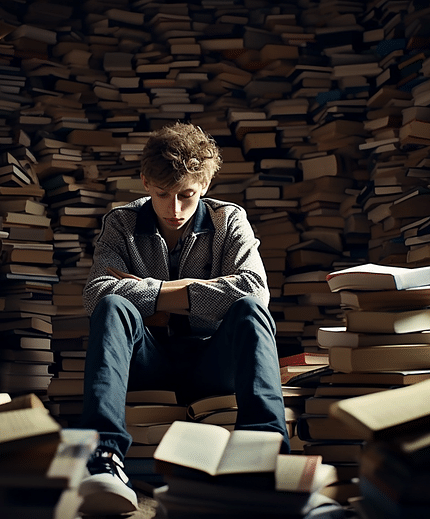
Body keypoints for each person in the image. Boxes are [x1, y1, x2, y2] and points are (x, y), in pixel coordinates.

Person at [77, 122, 288, 516]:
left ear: (205, 186)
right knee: (112, 307)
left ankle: (266, 458)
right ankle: (104, 457)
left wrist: (151, 292)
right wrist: (193, 291)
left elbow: (254, 291)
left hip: (212, 359)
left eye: (187, 195)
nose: (175, 209)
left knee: (250, 311)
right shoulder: (121, 222)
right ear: (144, 182)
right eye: (162, 195)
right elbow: (97, 293)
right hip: (148, 361)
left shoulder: (230, 220)